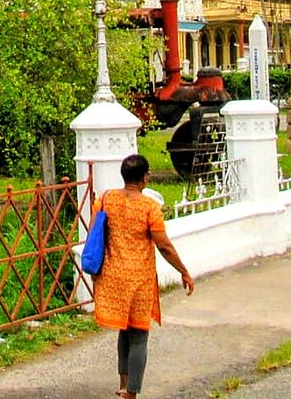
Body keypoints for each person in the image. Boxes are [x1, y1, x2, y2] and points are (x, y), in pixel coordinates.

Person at [92, 153, 194, 399]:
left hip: (113, 277)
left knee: (123, 331)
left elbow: (96, 229)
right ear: (144, 177)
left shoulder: (106, 199)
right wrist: (184, 271)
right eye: (148, 174)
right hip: (139, 279)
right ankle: (132, 392)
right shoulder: (149, 207)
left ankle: (123, 384)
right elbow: (164, 245)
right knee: (138, 336)